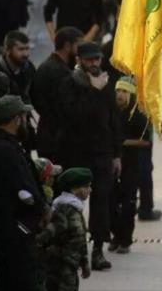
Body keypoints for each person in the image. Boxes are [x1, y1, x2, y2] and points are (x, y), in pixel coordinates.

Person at [57, 41, 121, 270]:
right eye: (89, 60)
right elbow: (75, 117)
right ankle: (72, 249)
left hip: (102, 153)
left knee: (101, 202)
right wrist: (93, 91)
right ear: (79, 61)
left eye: (97, 59)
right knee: (72, 202)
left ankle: (97, 250)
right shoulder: (70, 84)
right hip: (77, 153)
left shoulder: (105, 83)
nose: (94, 64)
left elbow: (113, 120)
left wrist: (117, 154)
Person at [0, 95, 45, 291]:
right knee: (21, 278)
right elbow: (23, 186)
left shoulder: (8, 145)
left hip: (11, 227)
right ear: (16, 119)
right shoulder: (6, 150)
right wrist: (41, 209)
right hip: (16, 228)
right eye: (24, 117)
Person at [109, 77, 151, 253]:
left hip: (132, 165)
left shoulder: (138, 115)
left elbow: (145, 142)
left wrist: (122, 143)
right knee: (110, 202)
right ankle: (116, 235)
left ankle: (125, 239)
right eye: (118, 91)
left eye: (124, 92)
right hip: (112, 164)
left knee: (128, 203)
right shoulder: (111, 112)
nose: (120, 95)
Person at [30, 27, 83, 159]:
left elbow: (33, 96)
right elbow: (66, 108)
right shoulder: (61, 73)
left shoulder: (44, 67)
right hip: (59, 140)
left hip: (46, 135)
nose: (80, 52)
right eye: (78, 46)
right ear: (67, 46)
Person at [39, 167, 92, 291]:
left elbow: (80, 240)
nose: (90, 190)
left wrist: (84, 262)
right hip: (63, 263)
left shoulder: (71, 208)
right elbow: (52, 232)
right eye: (87, 186)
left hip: (68, 262)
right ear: (75, 190)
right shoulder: (66, 210)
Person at [0, 30, 35, 103]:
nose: (26, 54)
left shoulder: (29, 67)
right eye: (21, 49)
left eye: (27, 48)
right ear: (8, 50)